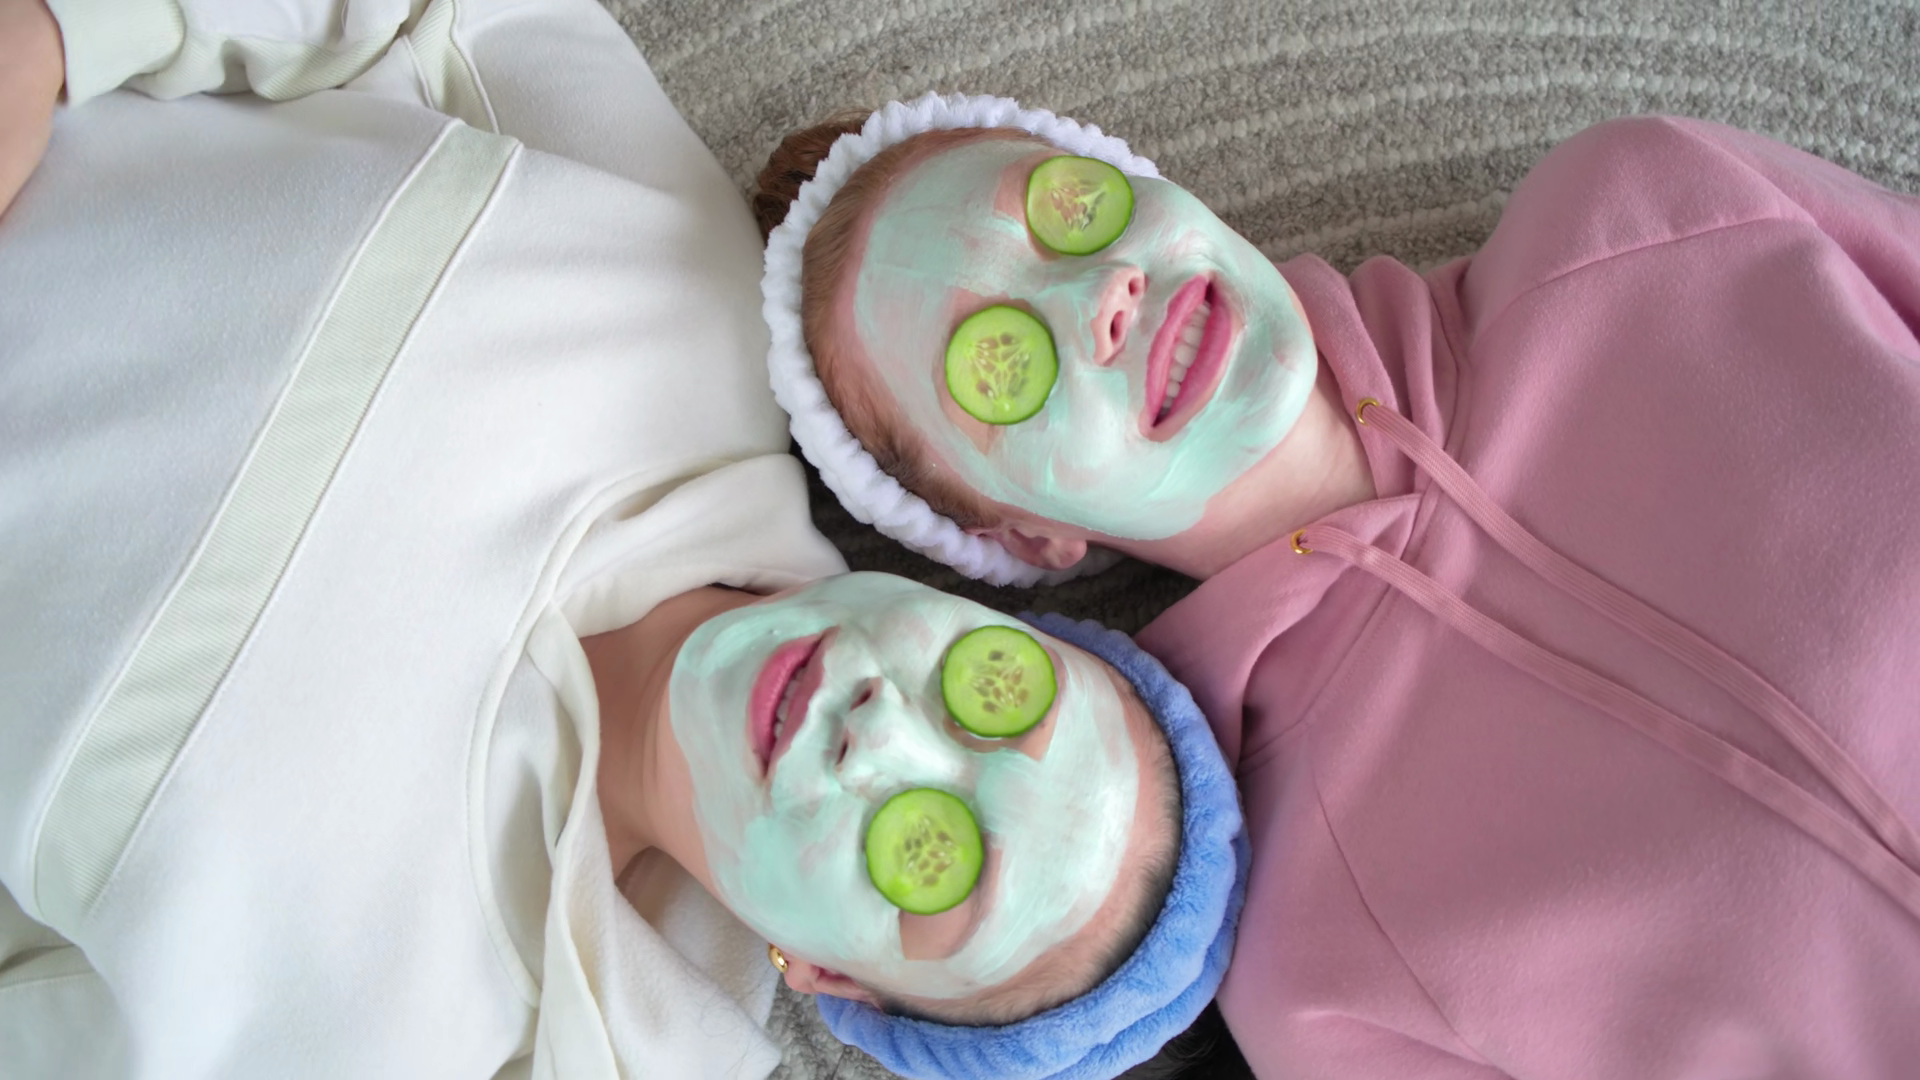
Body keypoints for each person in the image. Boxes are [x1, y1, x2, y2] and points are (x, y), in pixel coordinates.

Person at [0, 8, 1245, 1079]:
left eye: (931, 866)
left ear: (826, 977)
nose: (880, 730)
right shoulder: (688, 286)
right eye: (996, 690)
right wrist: (56, 33)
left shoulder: (413, 1034)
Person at [754, 93, 1920, 1077]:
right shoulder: (1309, 962)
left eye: (1069, 212)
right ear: (1027, 534)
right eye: (998, 360)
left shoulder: (1650, 209)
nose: (1099, 294)